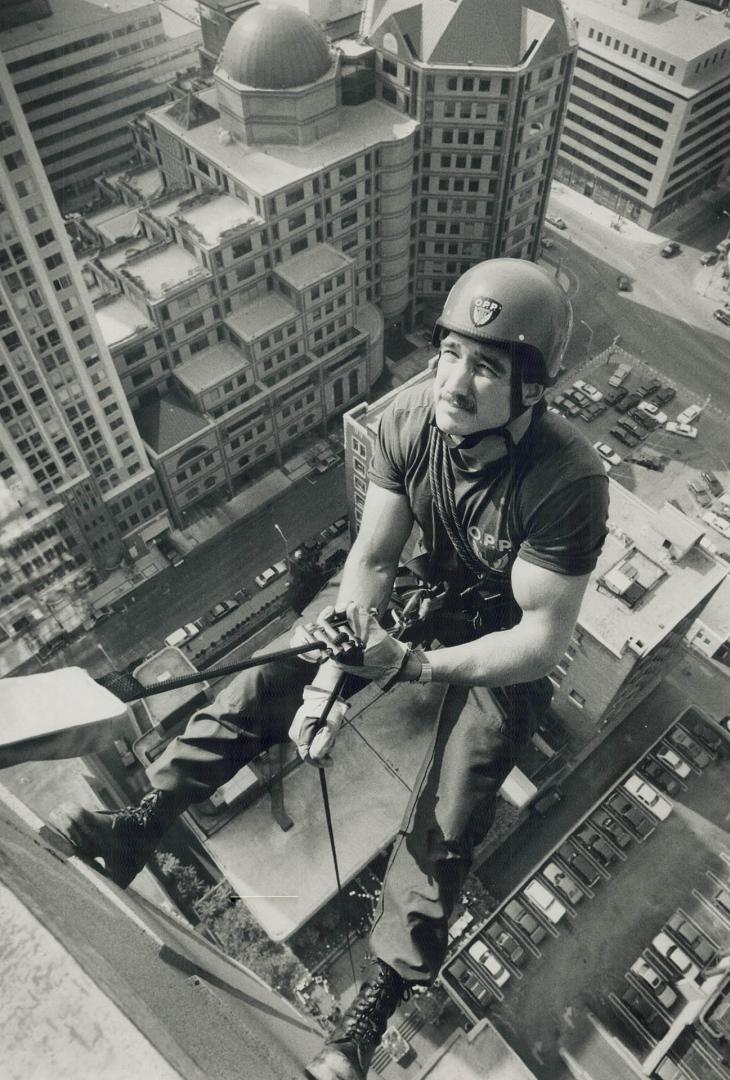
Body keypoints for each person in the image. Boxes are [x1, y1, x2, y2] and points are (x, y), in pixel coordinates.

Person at [54, 258, 609, 1080]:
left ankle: (366, 1021)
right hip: (431, 593)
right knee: (271, 672)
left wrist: (415, 664)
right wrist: (330, 675)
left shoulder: (567, 482)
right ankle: (144, 821)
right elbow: (375, 557)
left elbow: (540, 641)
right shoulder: (413, 419)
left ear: (532, 388)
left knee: (458, 797)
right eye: (450, 352)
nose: (457, 379)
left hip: (502, 647)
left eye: (487, 366)